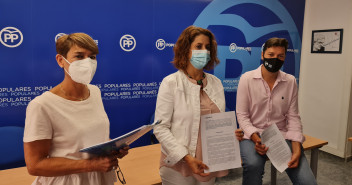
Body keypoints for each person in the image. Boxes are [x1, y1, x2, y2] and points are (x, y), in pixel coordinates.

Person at [23, 33, 128, 185]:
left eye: (92, 57)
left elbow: (89, 139)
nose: (88, 62)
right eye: (79, 56)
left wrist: (112, 148)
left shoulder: (95, 92)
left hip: (100, 178)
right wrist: (91, 165)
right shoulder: (42, 105)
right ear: (61, 61)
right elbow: (35, 165)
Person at [153, 25, 242, 185]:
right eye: (199, 46)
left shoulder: (216, 83)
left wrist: (231, 135)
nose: (205, 51)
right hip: (179, 164)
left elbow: (218, 123)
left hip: (210, 162)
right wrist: (186, 157)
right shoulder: (171, 83)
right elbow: (160, 128)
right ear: (186, 50)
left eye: (208, 47)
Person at [236, 37, 317, 185]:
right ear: (262, 55)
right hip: (252, 134)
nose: (275, 59)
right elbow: (242, 116)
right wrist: (256, 138)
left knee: (308, 181)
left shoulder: (290, 81)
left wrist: (297, 146)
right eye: (271, 55)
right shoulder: (246, 79)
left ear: (285, 57)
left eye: (280, 56)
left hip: (280, 134)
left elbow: (293, 116)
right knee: (253, 165)